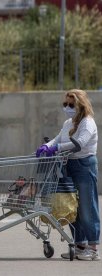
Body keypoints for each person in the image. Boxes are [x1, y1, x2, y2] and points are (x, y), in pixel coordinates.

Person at [36, 89, 100, 261]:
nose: (67, 107)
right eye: (65, 104)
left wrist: (55, 148)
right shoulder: (68, 123)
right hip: (69, 165)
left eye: (71, 105)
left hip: (84, 165)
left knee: (88, 207)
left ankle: (93, 248)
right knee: (73, 207)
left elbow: (79, 144)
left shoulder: (88, 122)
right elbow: (57, 139)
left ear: (80, 104)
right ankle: (80, 245)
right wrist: (46, 146)